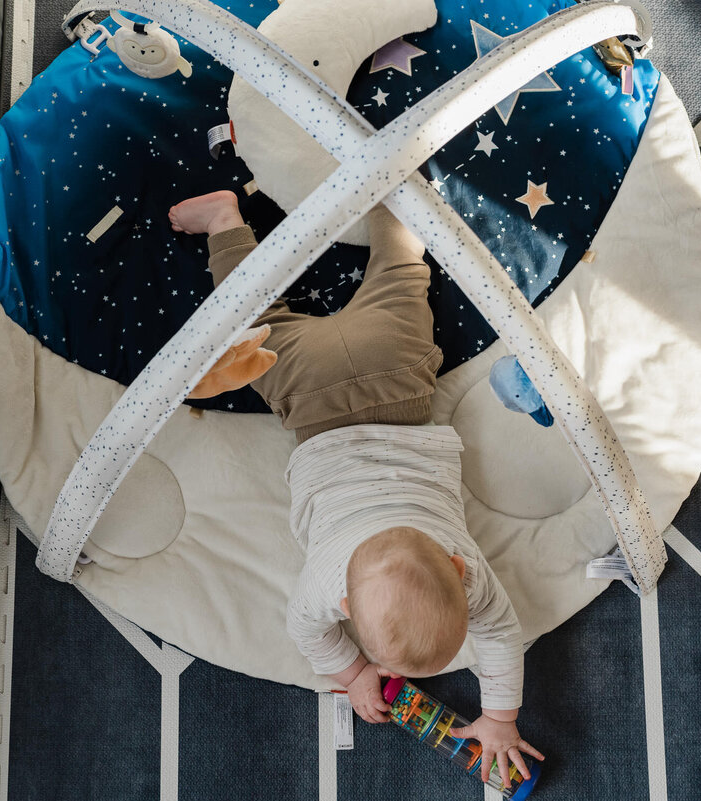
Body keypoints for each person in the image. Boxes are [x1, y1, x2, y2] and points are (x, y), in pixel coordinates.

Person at [169, 190, 543, 782]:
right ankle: (225, 223)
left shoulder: (462, 566)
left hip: (395, 375)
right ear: (458, 568)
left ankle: (392, 193)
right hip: (311, 399)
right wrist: (355, 672)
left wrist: (502, 716)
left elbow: (501, 635)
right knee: (253, 321)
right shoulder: (325, 585)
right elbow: (307, 632)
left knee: (401, 271)